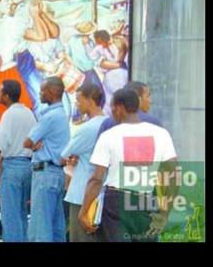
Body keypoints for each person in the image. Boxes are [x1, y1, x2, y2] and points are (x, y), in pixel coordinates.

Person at [80, 88, 178, 242]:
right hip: (147, 201)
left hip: (116, 203)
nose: (112, 113)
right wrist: (165, 213)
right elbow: (173, 175)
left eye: (112, 108)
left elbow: (96, 179)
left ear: (119, 108)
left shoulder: (109, 136)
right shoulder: (161, 134)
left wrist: (83, 211)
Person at [24, 77, 71, 242]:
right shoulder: (61, 114)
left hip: (45, 173)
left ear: (51, 92)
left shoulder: (50, 116)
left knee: (40, 225)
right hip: (55, 173)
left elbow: (28, 142)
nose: (40, 93)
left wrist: (36, 143)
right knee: (56, 225)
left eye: (42, 90)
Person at [0, 79, 37, 242]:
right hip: (28, 165)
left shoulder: (9, 114)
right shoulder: (28, 112)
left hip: (12, 166)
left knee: (10, 216)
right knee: (21, 214)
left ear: (7, 96)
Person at [60, 83, 107, 242]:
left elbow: (63, 156)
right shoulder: (110, 124)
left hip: (82, 193)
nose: (76, 105)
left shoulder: (87, 128)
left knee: (80, 237)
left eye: (79, 100)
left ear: (90, 100)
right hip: (103, 194)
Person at [95, 81, 164, 141]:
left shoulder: (107, 124)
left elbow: (98, 153)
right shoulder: (154, 123)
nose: (150, 101)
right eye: (147, 96)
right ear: (138, 99)